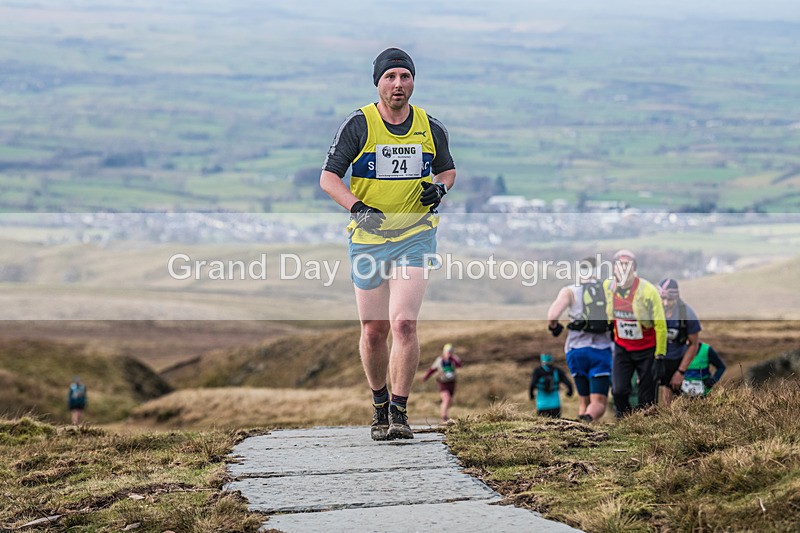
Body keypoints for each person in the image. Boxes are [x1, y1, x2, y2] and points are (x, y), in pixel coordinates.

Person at [320, 48, 456, 441]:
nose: (399, 84)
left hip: (415, 234)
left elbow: (447, 169)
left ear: (413, 81)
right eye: (391, 77)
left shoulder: (430, 126)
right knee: (375, 329)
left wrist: (439, 189)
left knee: (404, 323)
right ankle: (378, 403)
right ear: (378, 82)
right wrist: (357, 206)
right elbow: (329, 178)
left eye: (405, 76)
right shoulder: (358, 124)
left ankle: (399, 410)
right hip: (368, 239)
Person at [547, 256, 613, 423]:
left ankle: (582, 429)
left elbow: (553, 315)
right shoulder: (608, 290)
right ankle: (586, 420)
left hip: (575, 351)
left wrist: (555, 328)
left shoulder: (569, 290)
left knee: (584, 399)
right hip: (601, 351)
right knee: (598, 403)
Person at [603, 250, 667, 418]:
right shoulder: (608, 286)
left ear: (634, 269)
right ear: (614, 269)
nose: (623, 270)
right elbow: (608, 310)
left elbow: (661, 325)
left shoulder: (648, 291)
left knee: (646, 398)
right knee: (618, 391)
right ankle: (624, 423)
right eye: (619, 265)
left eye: (627, 266)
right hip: (622, 347)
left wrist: (660, 356)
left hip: (647, 349)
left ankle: (646, 429)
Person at [657, 278, 702, 406]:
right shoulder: (652, 310)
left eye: (670, 299)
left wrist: (680, 372)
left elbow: (694, 345)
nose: (665, 303)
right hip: (654, 357)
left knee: (673, 397)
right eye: (662, 299)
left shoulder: (687, 314)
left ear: (677, 297)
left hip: (676, 360)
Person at [422, 343, 463, 423]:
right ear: (444, 351)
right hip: (443, 382)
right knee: (446, 399)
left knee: (449, 400)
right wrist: (425, 377)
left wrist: (451, 358)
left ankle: (444, 415)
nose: (449, 353)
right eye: (448, 351)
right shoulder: (440, 360)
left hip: (452, 382)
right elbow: (432, 369)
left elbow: (459, 365)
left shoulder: (454, 358)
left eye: (451, 351)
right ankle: (443, 417)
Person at [529, 354, 574, 418]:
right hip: (555, 405)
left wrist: (531, 395)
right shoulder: (557, 371)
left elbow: (532, 384)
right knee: (556, 425)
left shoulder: (537, 371)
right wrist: (569, 393)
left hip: (542, 405)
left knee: (542, 425)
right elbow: (569, 384)